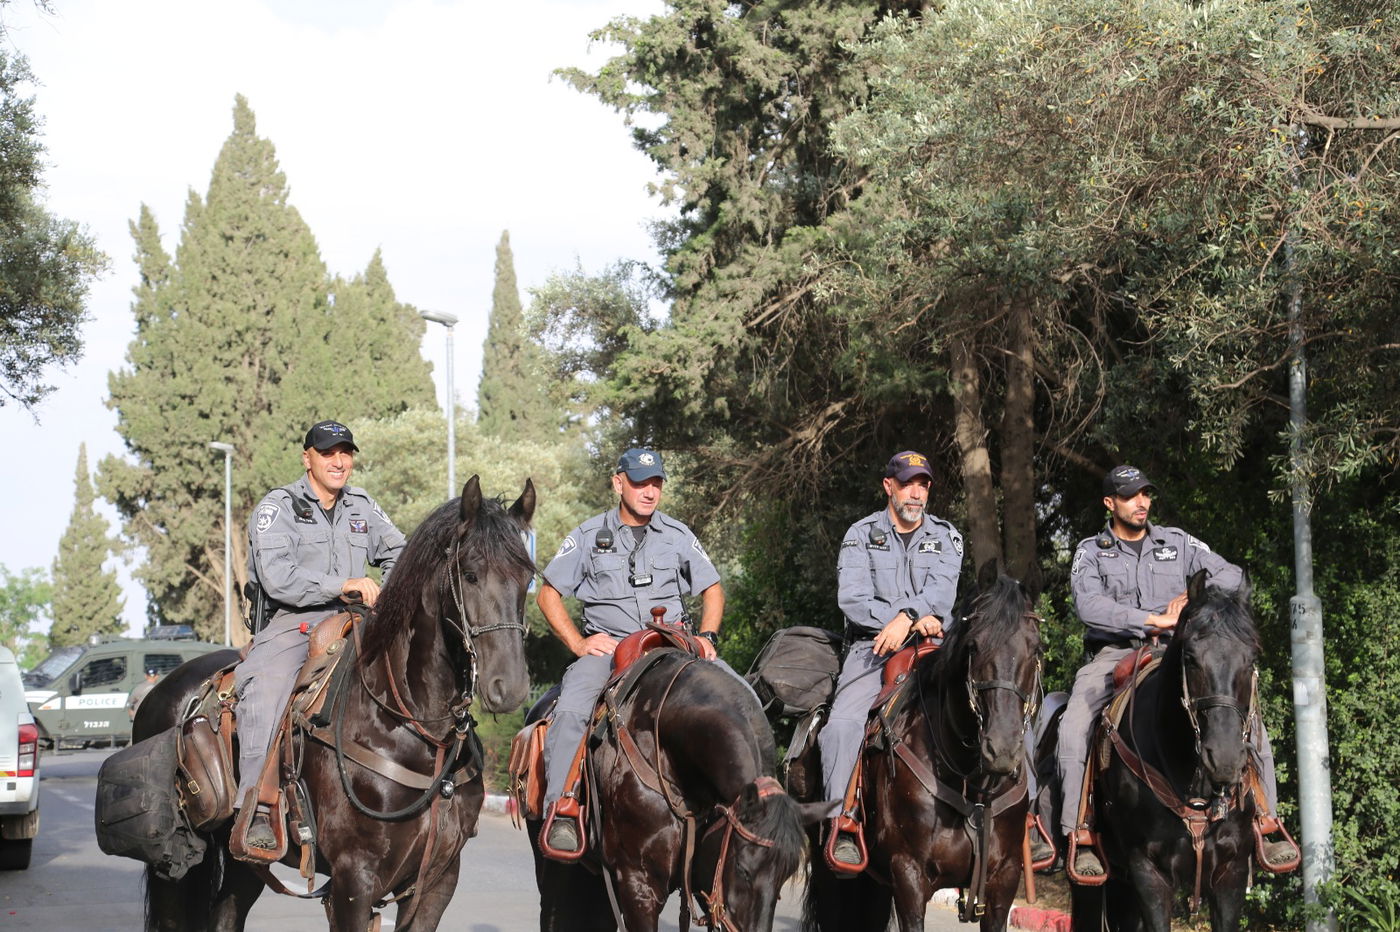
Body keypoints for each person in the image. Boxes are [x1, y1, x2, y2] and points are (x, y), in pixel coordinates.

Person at [1057, 464, 1294, 876]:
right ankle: (1079, 832)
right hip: (1116, 654)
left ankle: (1266, 822)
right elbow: (1089, 607)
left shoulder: (1177, 543)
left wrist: (1188, 597)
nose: (1142, 503)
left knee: (1248, 717)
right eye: (1131, 496)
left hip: (1180, 655)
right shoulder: (1090, 551)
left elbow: (1233, 575)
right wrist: (1153, 620)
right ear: (1110, 503)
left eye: (1146, 494)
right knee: (1073, 725)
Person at [536, 447, 743, 858]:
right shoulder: (586, 536)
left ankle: (749, 815)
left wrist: (708, 637)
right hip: (609, 651)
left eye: (656, 483)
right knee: (574, 708)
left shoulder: (680, 535)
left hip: (672, 647)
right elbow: (548, 594)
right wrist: (579, 644)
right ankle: (562, 808)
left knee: (739, 698)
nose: (649, 492)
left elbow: (712, 590)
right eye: (639, 482)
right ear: (618, 483)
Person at [235, 420, 406, 849]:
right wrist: (343, 584)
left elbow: (400, 551)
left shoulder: (362, 505)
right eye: (328, 453)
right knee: (266, 691)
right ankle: (257, 805)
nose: (339, 461)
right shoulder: (280, 507)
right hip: (297, 622)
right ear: (306, 458)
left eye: (345, 453)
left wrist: (392, 586)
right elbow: (277, 578)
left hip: (360, 619)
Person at [823, 450, 964, 869]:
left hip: (933, 646)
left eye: (923, 485)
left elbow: (943, 593)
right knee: (841, 726)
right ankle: (841, 822)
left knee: (990, 706)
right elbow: (851, 597)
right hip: (872, 647)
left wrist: (908, 617)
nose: (916, 493)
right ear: (889, 487)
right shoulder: (860, 534)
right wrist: (897, 622)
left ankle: (1013, 821)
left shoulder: (947, 536)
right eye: (908, 484)